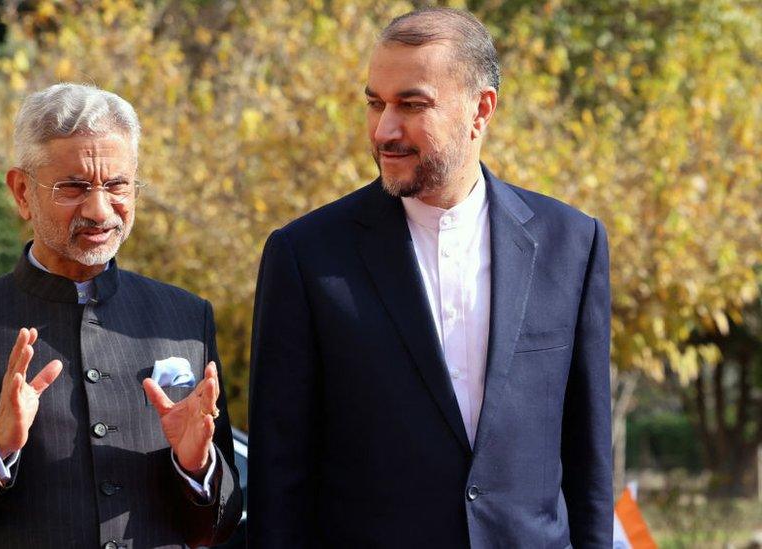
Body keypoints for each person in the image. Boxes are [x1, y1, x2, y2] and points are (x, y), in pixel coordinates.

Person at [248, 7, 612, 548]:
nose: (384, 130)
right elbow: (280, 477)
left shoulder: (571, 243)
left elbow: (589, 459)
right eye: (375, 103)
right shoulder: (304, 255)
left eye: (411, 105)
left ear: (480, 110)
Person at [0, 83, 241, 549]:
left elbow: (221, 526)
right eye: (73, 187)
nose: (99, 209)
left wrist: (197, 467)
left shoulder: (185, 318)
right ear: (22, 192)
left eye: (117, 185)